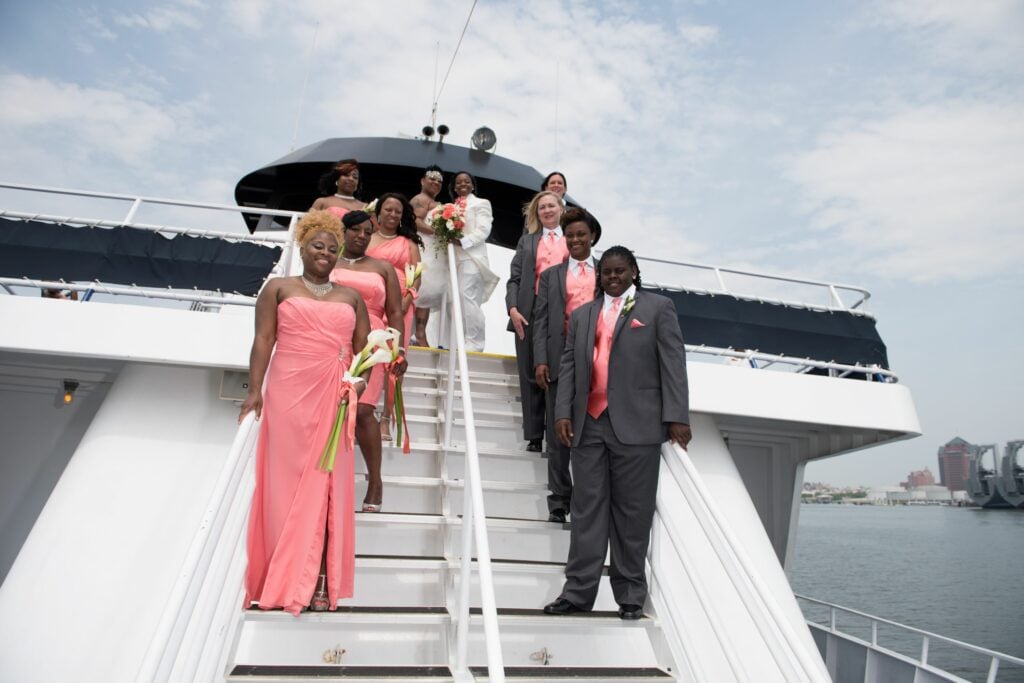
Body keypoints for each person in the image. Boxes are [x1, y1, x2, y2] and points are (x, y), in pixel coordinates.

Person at [543, 246, 691, 621]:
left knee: (633, 513)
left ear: (633, 271)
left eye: (619, 271)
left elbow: (672, 364)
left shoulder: (657, 309)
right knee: (586, 510)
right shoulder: (581, 316)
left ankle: (630, 597)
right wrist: (562, 412)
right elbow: (569, 365)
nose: (612, 277)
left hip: (638, 426)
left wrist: (676, 416)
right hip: (588, 425)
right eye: (606, 272)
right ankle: (577, 593)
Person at [241, 210, 371, 616]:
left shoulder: (351, 297)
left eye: (333, 249)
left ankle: (318, 579)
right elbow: (264, 339)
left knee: (327, 485)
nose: (326, 254)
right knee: (284, 485)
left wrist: (358, 383)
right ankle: (283, 574)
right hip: (288, 391)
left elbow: (367, 351)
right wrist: (254, 391)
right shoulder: (277, 288)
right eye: (318, 246)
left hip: (334, 394)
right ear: (302, 246)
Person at [329, 210, 408, 511]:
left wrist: (398, 350)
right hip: (335, 337)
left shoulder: (383, 267)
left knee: (362, 409)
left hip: (373, 341)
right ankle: (329, 475)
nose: (361, 236)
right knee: (334, 405)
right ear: (344, 231)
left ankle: (375, 480)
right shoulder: (329, 261)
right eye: (356, 231)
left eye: (367, 231)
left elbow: (396, 311)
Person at [532, 207, 601, 523]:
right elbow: (542, 319)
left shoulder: (606, 272)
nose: (575, 239)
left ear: (591, 237)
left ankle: (588, 499)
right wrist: (541, 359)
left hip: (600, 361)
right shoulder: (551, 276)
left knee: (594, 433)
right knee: (558, 432)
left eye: (580, 234)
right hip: (561, 360)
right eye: (569, 235)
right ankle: (559, 500)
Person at [506, 191, 568, 453]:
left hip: (565, 312)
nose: (547, 210)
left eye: (551, 205)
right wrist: (512, 308)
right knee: (529, 374)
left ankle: (558, 430)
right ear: (536, 213)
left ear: (561, 209)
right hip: (528, 312)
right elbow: (514, 279)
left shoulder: (572, 240)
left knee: (559, 372)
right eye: (542, 207)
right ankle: (533, 435)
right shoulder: (527, 241)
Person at [366, 192, 422, 440]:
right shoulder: (366, 238)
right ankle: (363, 410)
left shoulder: (408, 243)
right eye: (388, 209)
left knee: (393, 360)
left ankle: (386, 418)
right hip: (370, 304)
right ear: (378, 212)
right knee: (366, 356)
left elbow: (417, 275)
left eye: (397, 211)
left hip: (400, 305)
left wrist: (406, 301)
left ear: (402, 216)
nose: (392, 214)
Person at [432, 170, 500, 352]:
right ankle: (455, 340)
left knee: (468, 297)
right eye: (459, 182)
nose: (463, 184)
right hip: (452, 260)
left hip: (472, 258)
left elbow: (484, 230)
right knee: (453, 300)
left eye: (466, 182)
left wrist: (462, 241)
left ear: (472, 185)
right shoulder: (448, 208)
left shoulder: (481, 203)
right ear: (454, 187)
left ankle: (475, 342)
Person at [409, 165, 444, 346]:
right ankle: (415, 333)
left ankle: (420, 333)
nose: (436, 182)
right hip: (424, 249)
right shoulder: (421, 199)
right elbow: (414, 220)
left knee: (426, 293)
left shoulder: (433, 202)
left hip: (433, 251)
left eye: (439, 181)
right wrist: (438, 233)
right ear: (422, 180)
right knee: (419, 290)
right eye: (432, 178)